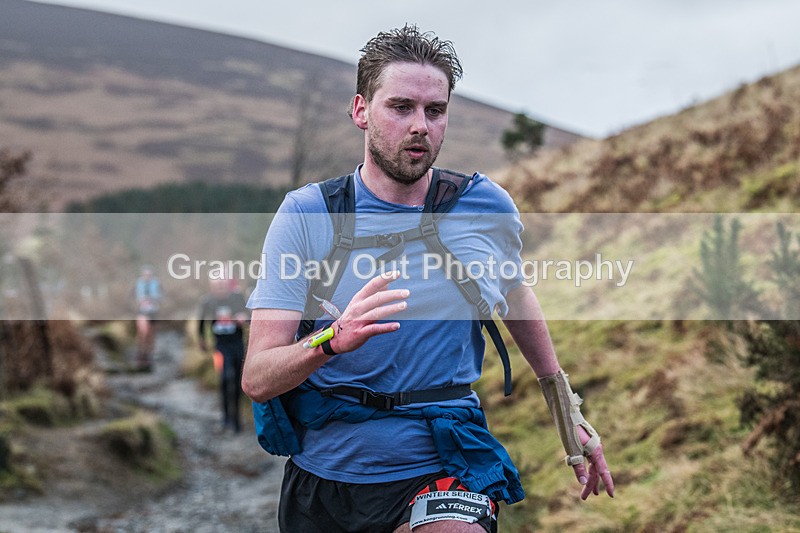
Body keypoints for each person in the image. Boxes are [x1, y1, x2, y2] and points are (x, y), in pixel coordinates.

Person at [242, 25, 614, 533]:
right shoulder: (307, 215)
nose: (420, 126)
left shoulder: (485, 207)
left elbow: (512, 293)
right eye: (401, 107)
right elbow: (257, 378)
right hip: (325, 478)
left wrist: (567, 414)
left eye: (434, 111)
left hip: (443, 462)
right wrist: (331, 340)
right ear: (360, 111)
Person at [199, 276, 250, 433]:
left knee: (237, 382)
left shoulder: (237, 298)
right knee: (224, 379)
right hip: (220, 347)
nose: (220, 288)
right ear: (211, 287)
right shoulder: (208, 301)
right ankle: (225, 418)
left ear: (228, 285)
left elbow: (250, 317)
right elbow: (201, 321)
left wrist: (244, 318)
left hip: (237, 345)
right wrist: (202, 340)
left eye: (223, 285)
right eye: (217, 285)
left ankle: (237, 420)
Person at [134, 264, 161, 372]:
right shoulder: (138, 284)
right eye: (145, 275)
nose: (147, 277)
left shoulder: (156, 283)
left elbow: (159, 297)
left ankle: (148, 354)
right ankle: (141, 353)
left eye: (149, 275)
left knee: (151, 334)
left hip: (153, 312)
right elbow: (136, 298)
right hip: (142, 312)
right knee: (143, 332)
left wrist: (153, 300)